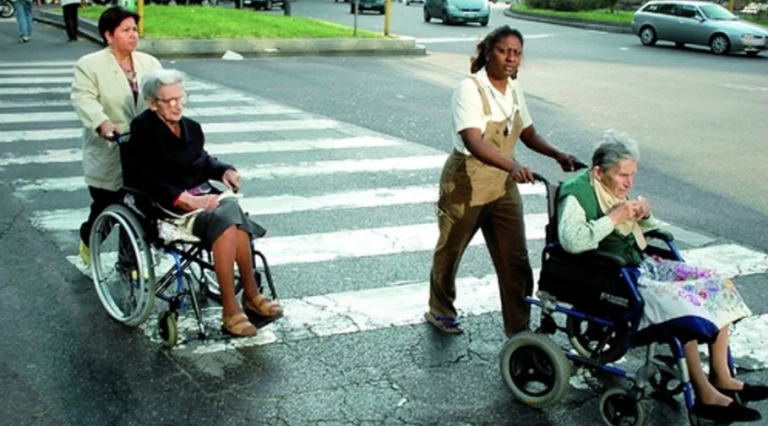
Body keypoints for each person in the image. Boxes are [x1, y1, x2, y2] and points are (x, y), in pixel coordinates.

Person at [557, 130, 768, 423]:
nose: (629, 183)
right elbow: (572, 241)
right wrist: (615, 217)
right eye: (623, 175)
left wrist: (644, 215)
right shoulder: (577, 194)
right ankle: (704, 394)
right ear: (598, 172)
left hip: (642, 265)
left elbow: (646, 230)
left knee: (718, 284)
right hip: (614, 275)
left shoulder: (611, 188)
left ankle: (722, 376)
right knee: (683, 303)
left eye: (632, 175)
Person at [426, 25, 577, 337]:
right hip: (466, 182)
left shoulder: (514, 88)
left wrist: (557, 154)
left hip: (503, 184)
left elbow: (528, 132)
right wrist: (513, 166)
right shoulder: (470, 89)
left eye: (517, 53)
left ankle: (519, 330)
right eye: (504, 51)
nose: (511, 58)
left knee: (515, 258)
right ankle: (440, 310)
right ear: (488, 52)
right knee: (451, 251)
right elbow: (473, 142)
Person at [122, 69, 283, 337]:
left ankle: (250, 296)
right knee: (229, 223)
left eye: (180, 98)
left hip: (202, 199)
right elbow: (142, 177)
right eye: (169, 101)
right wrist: (184, 198)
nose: (177, 105)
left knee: (232, 213)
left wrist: (224, 171)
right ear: (152, 103)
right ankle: (232, 308)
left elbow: (202, 160)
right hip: (167, 206)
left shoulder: (191, 127)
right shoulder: (142, 129)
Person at [70, 6, 162, 266]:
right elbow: (83, 98)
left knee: (139, 208)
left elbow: (164, 95)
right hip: (110, 147)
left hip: (143, 151)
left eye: (134, 29)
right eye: (125, 30)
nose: (133, 35)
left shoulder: (149, 63)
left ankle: (129, 263)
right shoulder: (90, 65)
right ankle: (89, 239)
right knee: (108, 206)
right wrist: (102, 123)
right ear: (109, 36)